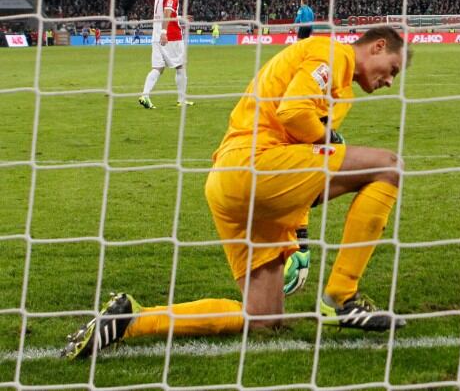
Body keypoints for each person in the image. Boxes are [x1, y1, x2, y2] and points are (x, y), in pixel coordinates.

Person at [62, 28, 410, 360]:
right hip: (254, 165)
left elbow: (307, 166)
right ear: (378, 46)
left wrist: (299, 235)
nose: (390, 81)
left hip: (232, 182)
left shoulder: (337, 81)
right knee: (387, 166)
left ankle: (132, 320)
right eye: (392, 69)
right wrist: (331, 140)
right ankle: (342, 297)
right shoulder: (332, 53)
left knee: (262, 319)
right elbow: (294, 113)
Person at [139, 0, 194, 109]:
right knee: (180, 66)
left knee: (158, 67)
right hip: (171, 35)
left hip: (156, 34)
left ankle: (145, 95)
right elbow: (167, 12)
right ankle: (181, 100)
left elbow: (164, 12)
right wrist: (165, 31)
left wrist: (180, 17)